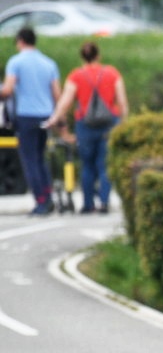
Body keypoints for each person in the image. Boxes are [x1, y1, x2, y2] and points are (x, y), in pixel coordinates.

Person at [42, 42, 128, 216]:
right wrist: (124, 123)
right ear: (98, 55)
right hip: (109, 123)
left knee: (87, 165)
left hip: (85, 124)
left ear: (82, 57)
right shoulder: (112, 73)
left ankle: (88, 204)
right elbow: (122, 101)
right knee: (104, 164)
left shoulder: (76, 76)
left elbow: (65, 102)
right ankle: (104, 202)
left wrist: (54, 119)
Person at [1, 27, 61, 216]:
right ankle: (48, 197)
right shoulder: (49, 63)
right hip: (47, 115)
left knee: (29, 160)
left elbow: (8, 90)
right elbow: (57, 93)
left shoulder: (16, 62)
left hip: (26, 115)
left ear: (20, 41)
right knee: (40, 158)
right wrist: (59, 117)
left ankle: (41, 201)